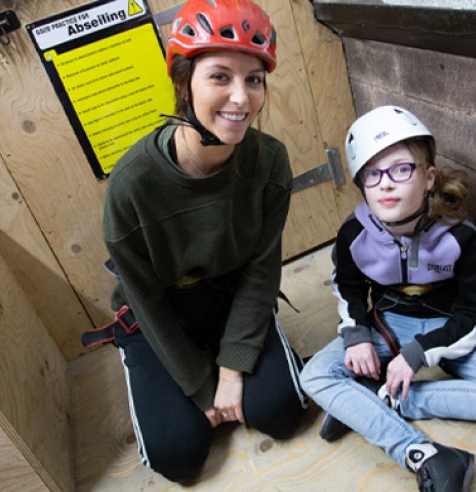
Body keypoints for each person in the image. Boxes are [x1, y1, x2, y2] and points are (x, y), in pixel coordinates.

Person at [95, 0, 306, 483]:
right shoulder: (132, 184)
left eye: (254, 79)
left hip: (227, 299)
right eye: (219, 77)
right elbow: (144, 299)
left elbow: (261, 269)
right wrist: (200, 385)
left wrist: (231, 371)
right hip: (159, 316)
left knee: (279, 412)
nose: (241, 98)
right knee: (179, 455)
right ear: (183, 83)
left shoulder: (269, 162)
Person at [300, 106, 476, 492]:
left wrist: (419, 354)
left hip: (452, 324)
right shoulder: (352, 233)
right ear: (361, 185)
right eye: (372, 174)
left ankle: (384, 403)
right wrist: (356, 333)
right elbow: (348, 288)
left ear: (428, 178)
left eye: (401, 169)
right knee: (315, 375)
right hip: (392, 322)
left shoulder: (460, 236)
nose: (386, 184)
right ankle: (422, 452)